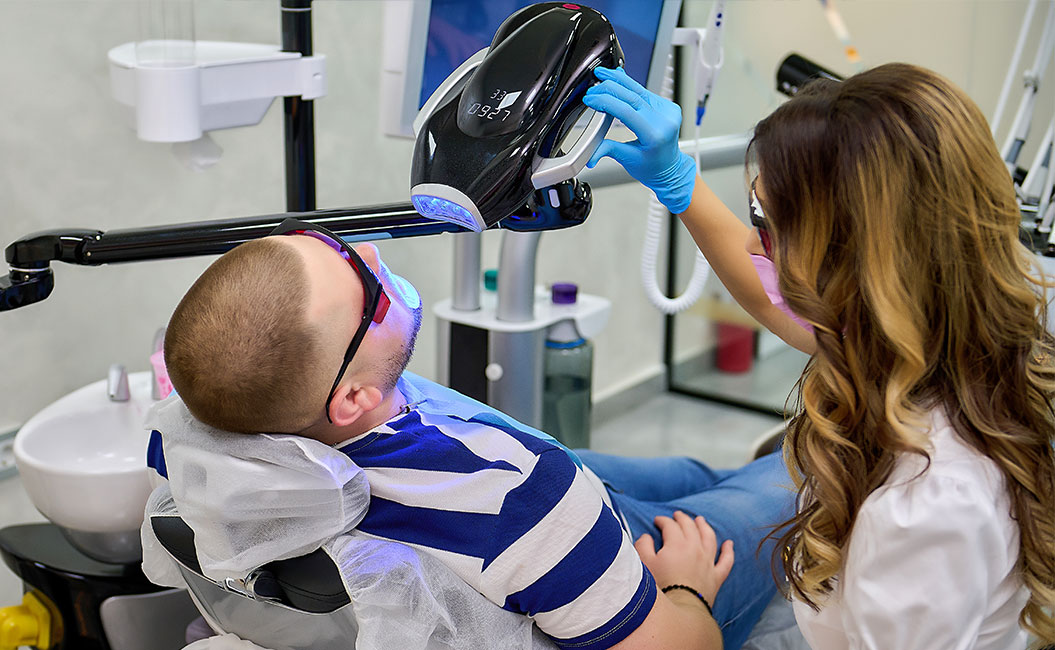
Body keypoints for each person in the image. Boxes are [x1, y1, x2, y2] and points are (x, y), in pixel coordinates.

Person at [153, 217, 796, 650]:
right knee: (797, 480)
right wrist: (685, 587)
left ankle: (735, 476)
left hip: (555, 522)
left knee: (691, 476)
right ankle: (792, 470)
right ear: (351, 399)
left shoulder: (190, 441)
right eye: (368, 293)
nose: (372, 254)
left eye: (338, 246)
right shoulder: (520, 495)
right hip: (591, 555)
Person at [582, 63, 1055, 649]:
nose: (753, 243)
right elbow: (771, 292)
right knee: (563, 466)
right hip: (818, 499)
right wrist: (676, 177)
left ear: (853, 263)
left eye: (767, 224)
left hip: (815, 562)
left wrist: (687, 597)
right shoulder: (934, 335)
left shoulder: (927, 509)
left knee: (585, 514)